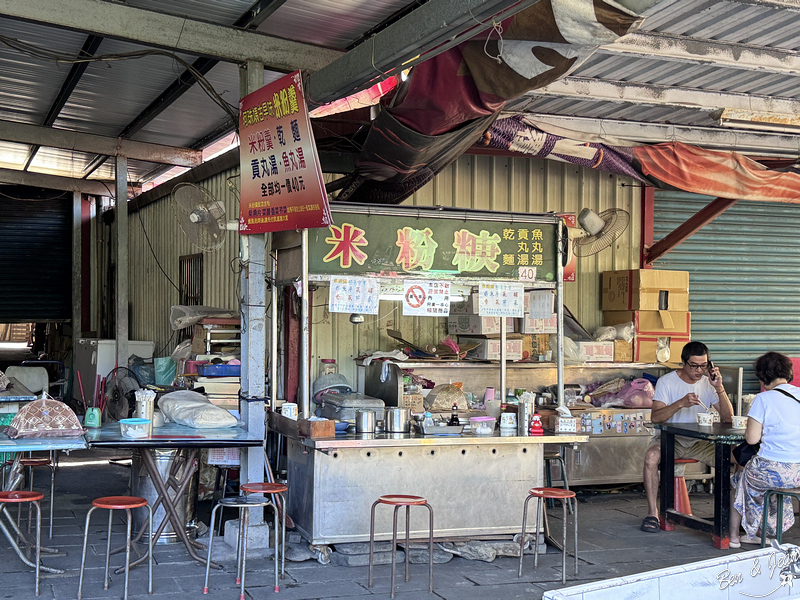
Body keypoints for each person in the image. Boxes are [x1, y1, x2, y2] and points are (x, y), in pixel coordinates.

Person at [640, 341, 733, 533]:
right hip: (671, 440)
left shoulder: (709, 383)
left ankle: (734, 515)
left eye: (704, 366)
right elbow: (656, 417)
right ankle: (652, 513)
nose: (699, 371)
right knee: (651, 457)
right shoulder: (667, 381)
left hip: (700, 441)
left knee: (739, 457)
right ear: (683, 362)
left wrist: (719, 388)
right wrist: (680, 403)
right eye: (694, 366)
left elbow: (728, 419)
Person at [729, 352, 800, 547]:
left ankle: (734, 536)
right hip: (798, 473)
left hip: (773, 470)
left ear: (763, 377)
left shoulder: (763, 399)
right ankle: (764, 531)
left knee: (739, 477)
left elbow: (752, 439)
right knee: (768, 484)